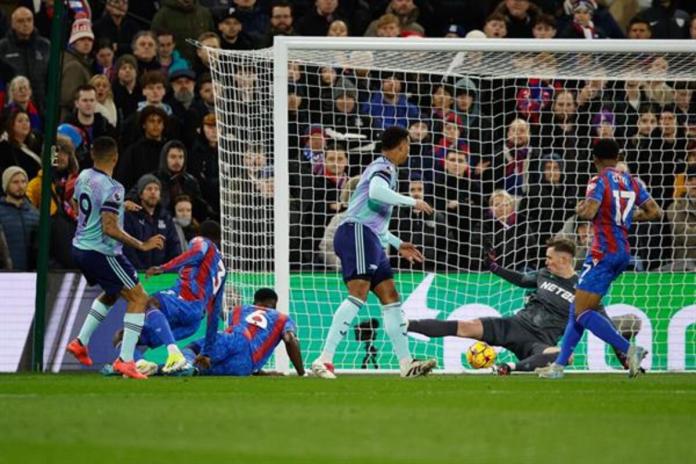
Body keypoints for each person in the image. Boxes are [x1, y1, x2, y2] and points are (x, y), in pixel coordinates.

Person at [311, 126, 437, 379]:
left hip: (369, 236)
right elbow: (376, 192)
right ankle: (323, 360)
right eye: (408, 146)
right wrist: (413, 201)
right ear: (400, 145)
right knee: (358, 294)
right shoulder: (383, 167)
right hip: (355, 232)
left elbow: (377, 224)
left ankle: (406, 364)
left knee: (390, 296)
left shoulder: (389, 170)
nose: (408, 151)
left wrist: (398, 243)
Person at [408, 238, 641, 375]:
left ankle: (510, 367)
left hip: (538, 342)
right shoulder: (542, 275)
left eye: (550, 257)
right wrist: (494, 267)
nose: (545, 261)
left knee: (565, 357)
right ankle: (408, 324)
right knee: (464, 326)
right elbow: (520, 280)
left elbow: (604, 324)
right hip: (515, 325)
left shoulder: (585, 290)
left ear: (564, 260)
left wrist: (622, 351)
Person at [537, 139, 662, 379]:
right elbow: (655, 212)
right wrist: (623, 217)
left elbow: (590, 211)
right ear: (618, 156)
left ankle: (629, 350)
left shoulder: (598, 180)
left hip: (602, 251)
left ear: (594, 159)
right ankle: (559, 367)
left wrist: (579, 209)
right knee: (577, 307)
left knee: (583, 312)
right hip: (622, 252)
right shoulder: (631, 181)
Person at [66, 136, 166, 379]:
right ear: (115, 157)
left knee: (112, 293)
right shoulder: (114, 188)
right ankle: (126, 360)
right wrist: (141, 244)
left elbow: (75, 203)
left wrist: (120, 207)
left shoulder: (84, 177)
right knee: (139, 297)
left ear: (93, 155)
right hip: (103, 251)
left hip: (80, 248)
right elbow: (109, 228)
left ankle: (80, 342)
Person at [121, 220, 226, 373]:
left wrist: (164, 268)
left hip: (183, 302)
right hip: (193, 322)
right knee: (126, 335)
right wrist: (206, 352)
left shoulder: (202, 242)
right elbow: (214, 313)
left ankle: (174, 353)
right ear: (220, 239)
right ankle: (139, 363)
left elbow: (197, 252)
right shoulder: (222, 270)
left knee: (147, 301)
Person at [152, 288, 305, 377]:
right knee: (199, 372)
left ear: (255, 302)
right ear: (274, 305)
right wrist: (301, 373)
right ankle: (159, 369)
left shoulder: (240, 309)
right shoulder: (283, 318)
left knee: (192, 349)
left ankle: (163, 367)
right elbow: (290, 340)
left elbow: (229, 339)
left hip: (237, 337)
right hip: (244, 366)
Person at [123, 174, 181, 269]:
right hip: (137, 274)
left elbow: (174, 246)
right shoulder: (130, 216)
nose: (153, 192)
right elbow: (127, 249)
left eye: (156, 189)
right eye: (149, 189)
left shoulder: (166, 217)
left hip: (162, 274)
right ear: (141, 194)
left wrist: (170, 269)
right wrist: (139, 270)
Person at [0, 166, 39, 270]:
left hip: (29, 276)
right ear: (6, 185)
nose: (20, 186)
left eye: (23, 181)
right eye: (15, 182)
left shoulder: (35, 214)